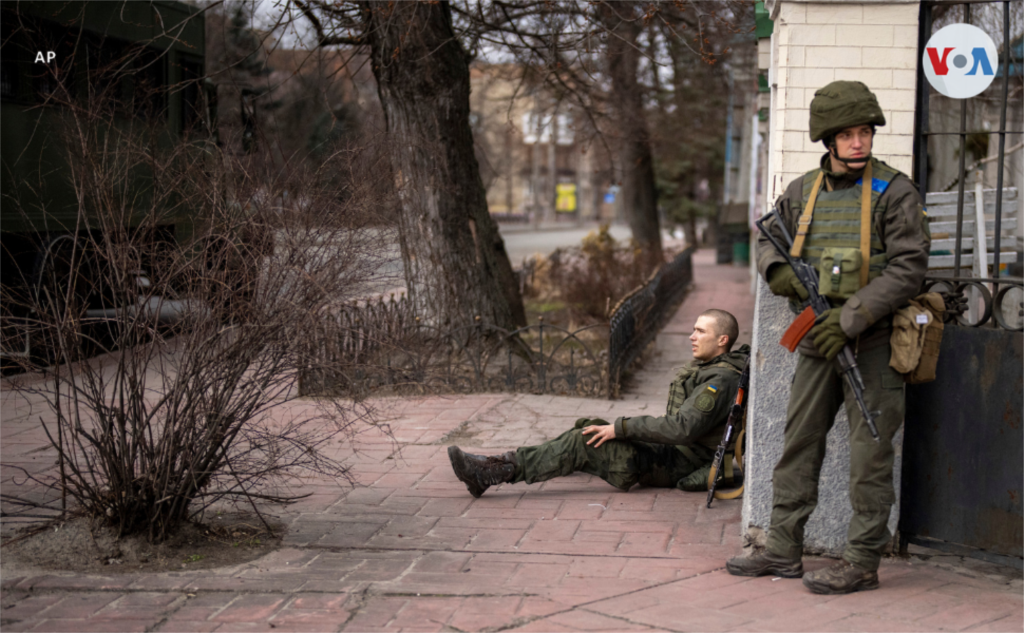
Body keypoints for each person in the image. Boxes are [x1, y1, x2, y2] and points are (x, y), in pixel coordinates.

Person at [725, 81, 931, 594]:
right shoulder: (802, 192)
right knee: (798, 444)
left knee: (870, 456)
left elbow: (908, 269)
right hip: (817, 339)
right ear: (828, 140)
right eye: (847, 134)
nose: (859, 142)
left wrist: (852, 316)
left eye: (865, 132)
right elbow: (767, 240)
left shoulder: (895, 191)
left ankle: (861, 561)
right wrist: (782, 277)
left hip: (876, 341)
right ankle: (782, 549)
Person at [447, 309, 750, 498]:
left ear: (722, 340)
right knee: (586, 427)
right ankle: (508, 464)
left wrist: (622, 428)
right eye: (693, 329)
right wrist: (619, 429)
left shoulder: (718, 381)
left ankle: (490, 472)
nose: (691, 336)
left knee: (584, 442)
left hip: (675, 463)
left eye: (700, 331)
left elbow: (682, 429)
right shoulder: (714, 370)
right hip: (672, 453)